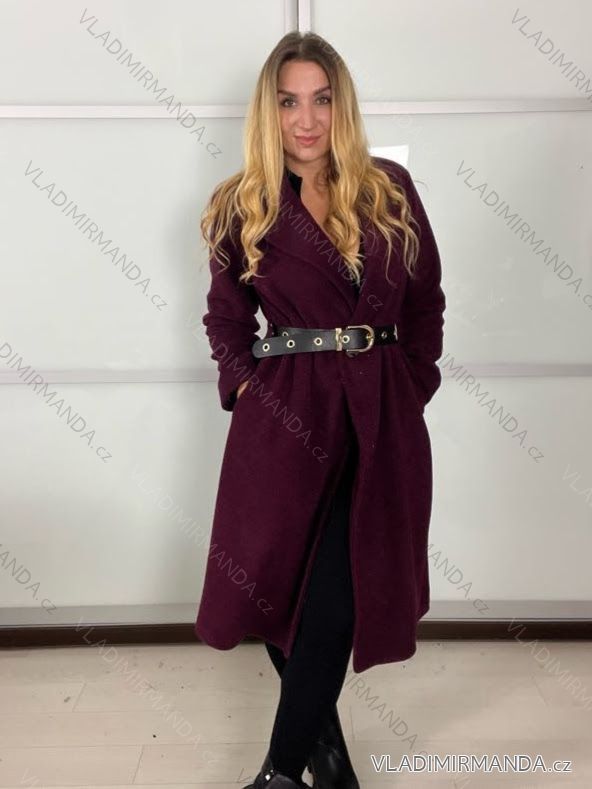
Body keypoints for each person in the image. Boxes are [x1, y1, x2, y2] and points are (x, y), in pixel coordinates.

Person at [195, 30, 446, 789]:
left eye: (322, 99)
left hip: (379, 420)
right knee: (281, 590)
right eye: (288, 102)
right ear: (268, 112)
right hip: (284, 424)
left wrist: (411, 386)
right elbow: (225, 320)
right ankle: (325, 761)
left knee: (337, 594)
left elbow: (426, 302)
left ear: (343, 105)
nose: (306, 120)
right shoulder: (242, 205)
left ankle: (280, 772)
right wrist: (247, 387)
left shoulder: (390, 189)